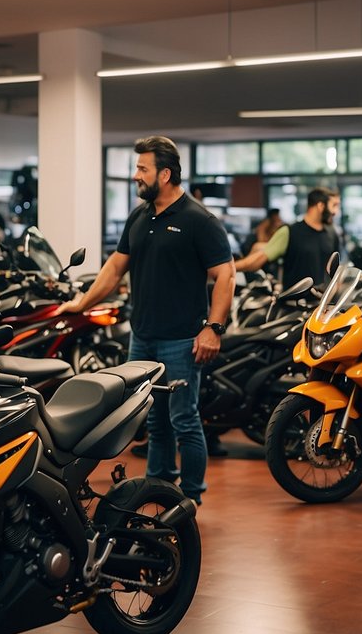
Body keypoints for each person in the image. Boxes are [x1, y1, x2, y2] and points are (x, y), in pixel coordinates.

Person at [58, 135, 235, 504]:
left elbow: (226, 275)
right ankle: (158, 489)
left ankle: (188, 498)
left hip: (182, 339)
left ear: (165, 174)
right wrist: (81, 302)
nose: (135, 175)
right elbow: (114, 269)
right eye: (135, 168)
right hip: (143, 337)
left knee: (184, 420)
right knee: (153, 420)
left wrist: (212, 328)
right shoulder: (139, 217)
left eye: (142, 168)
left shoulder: (199, 220)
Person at [237, 187, 339, 290]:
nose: (336, 212)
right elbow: (257, 260)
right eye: (334, 205)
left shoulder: (332, 234)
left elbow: (336, 272)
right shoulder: (289, 231)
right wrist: (229, 267)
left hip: (323, 303)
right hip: (293, 304)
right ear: (320, 206)